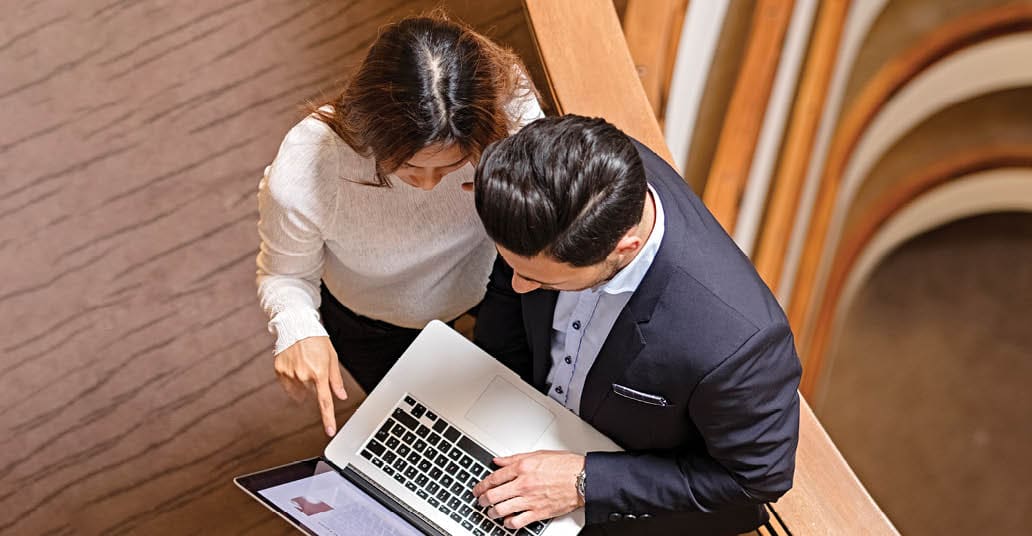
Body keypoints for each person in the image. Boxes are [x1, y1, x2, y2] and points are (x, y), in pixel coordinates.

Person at [470, 115, 802, 535]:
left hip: (627, 505)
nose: (519, 286)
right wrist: (493, 391)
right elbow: (510, 289)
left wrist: (584, 482)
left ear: (622, 248)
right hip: (516, 422)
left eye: (539, 279)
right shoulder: (573, 173)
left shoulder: (738, 344)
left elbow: (757, 477)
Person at [256, 14, 543, 438]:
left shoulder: (511, 111)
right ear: (370, 127)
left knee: (523, 407)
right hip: (373, 317)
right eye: (408, 168)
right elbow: (285, 272)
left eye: (450, 167)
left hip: (495, 281)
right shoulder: (307, 168)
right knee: (421, 433)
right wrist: (297, 328)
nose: (428, 185)